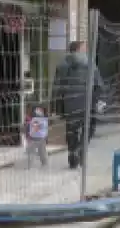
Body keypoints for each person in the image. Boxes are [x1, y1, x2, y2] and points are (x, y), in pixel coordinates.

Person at [51, 40, 104, 169]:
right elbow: (98, 84)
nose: (86, 50)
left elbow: (57, 87)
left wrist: (56, 107)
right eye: (84, 48)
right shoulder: (90, 64)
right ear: (79, 49)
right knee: (89, 127)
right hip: (88, 102)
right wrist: (100, 100)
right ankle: (81, 148)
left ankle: (73, 156)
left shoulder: (62, 65)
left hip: (70, 102)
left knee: (71, 130)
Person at [23, 104, 49, 169]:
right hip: (41, 138)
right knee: (42, 152)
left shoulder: (30, 118)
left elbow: (27, 128)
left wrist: (27, 136)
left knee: (32, 152)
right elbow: (45, 129)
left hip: (33, 138)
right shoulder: (44, 118)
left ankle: (30, 166)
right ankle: (44, 163)